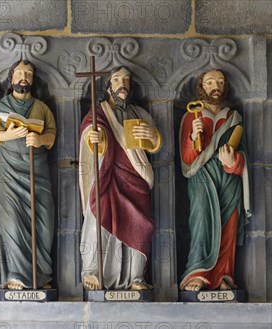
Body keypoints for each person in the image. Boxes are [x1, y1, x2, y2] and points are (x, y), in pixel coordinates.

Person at [79, 66, 162, 291]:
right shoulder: (99, 112)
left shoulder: (140, 113)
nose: (122, 84)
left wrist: (153, 136)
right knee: (100, 217)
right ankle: (93, 271)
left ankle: (136, 277)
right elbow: (89, 130)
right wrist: (94, 137)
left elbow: (153, 142)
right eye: (117, 80)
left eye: (126, 79)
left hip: (136, 177)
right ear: (109, 87)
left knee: (140, 226)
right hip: (108, 175)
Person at [179, 69, 250, 291]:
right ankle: (198, 273)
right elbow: (186, 159)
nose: (215, 86)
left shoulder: (233, 117)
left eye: (220, 82)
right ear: (202, 87)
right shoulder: (192, 115)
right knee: (201, 218)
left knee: (229, 224)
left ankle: (223, 275)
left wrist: (234, 161)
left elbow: (245, 154)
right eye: (210, 82)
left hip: (228, 176)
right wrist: (193, 137)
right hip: (202, 175)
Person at [0, 60, 56, 290]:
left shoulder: (42, 108)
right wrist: (10, 135)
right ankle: (16, 274)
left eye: (28, 74)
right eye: (19, 73)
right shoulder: (1, 105)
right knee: (12, 222)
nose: (24, 77)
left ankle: (41, 275)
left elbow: (51, 136)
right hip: (9, 174)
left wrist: (39, 139)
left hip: (37, 172)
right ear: (11, 78)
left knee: (44, 223)